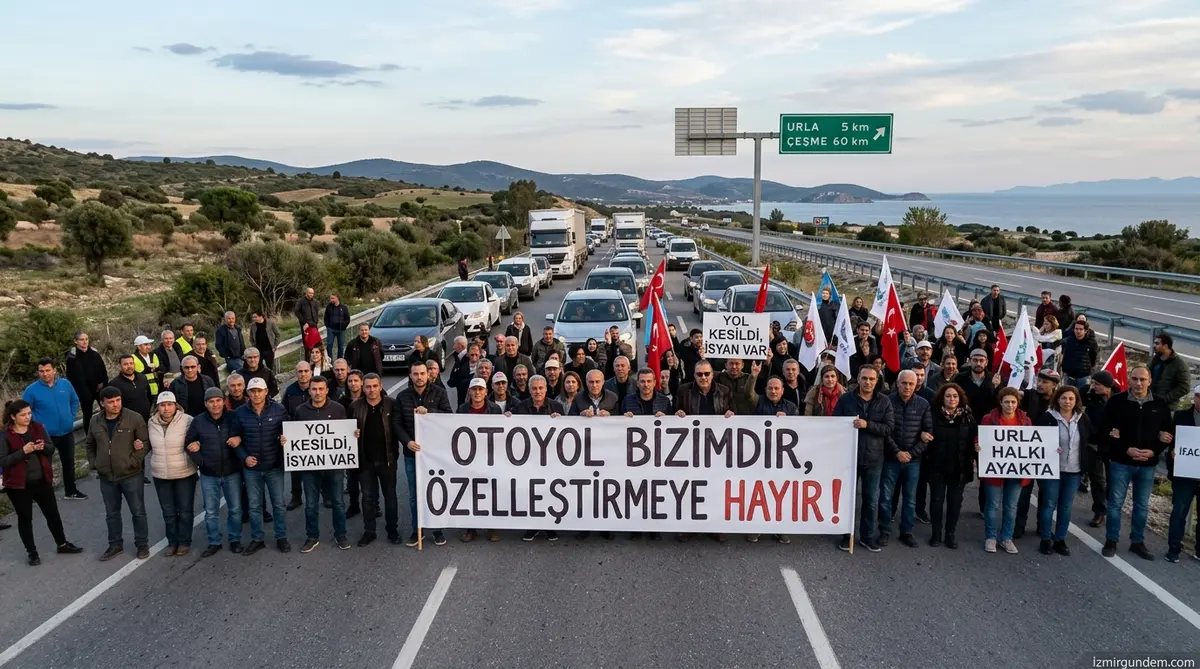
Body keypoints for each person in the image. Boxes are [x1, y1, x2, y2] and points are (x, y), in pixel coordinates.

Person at [1099, 366, 1173, 560]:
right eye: (1134, 379)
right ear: (1128, 380)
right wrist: (1125, 448)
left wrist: (1153, 451)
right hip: (1121, 462)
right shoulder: (1116, 402)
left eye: (1142, 379)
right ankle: (1111, 540)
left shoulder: (1160, 404)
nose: (1138, 383)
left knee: (1141, 505)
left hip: (1148, 465)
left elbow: (1167, 434)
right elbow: (1106, 430)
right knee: (1115, 503)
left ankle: (1137, 542)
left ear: (1149, 381)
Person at [2, 400, 84, 566]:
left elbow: (51, 448)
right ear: (13, 416)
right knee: (25, 518)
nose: (27, 417)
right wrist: (22, 452)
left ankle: (62, 544)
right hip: (19, 485)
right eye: (23, 415)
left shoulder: (37, 427)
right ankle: (32, 552)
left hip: (42, 480)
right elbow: (3, 461)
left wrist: (42, 447)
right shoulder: (5, 435)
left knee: (52, 514)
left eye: (29, 413)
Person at [833, 366, 894, 553]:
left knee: (871, 500)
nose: (868, 382)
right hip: (849, 458)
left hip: (874, 458)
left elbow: (889, 428)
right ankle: (846, 535)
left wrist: (868, 425)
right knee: (848, 499)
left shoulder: (884, 402)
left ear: (877, 381)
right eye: (864, 378)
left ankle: (867, 537)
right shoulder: (846, 400)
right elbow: (835, 424)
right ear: (858, 379)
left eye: (872, 379)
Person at [86, 386, 151, 561]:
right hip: (106, 477)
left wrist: (133, 462)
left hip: (131, 474)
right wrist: (94, 463)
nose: (115, 405)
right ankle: (115, 545)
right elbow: (90, 444)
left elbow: (145, 443)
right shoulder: (95, 421)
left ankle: (142, 544)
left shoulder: (134, 418)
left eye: (118, 400)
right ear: (102, 403)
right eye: (111, 402)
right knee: (111, 513)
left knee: (138, 511)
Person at [394, 361, 453, 547]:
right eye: (415, 374)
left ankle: (436, 529)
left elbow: (448, 417)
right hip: (413, 454)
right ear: (410, 376)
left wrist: (430, 413)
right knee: (415, 494)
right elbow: (396, 424)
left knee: (435, 493)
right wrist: (407, 442)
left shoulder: (439, 393)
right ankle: (416, 529)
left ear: (428, 375)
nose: (419, 377)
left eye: (422, 374)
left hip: (434, 454)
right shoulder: (402, 397)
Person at [292, 376, 351, 553]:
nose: (317, 392)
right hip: (310, 467)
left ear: (326, 390)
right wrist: (287, 440)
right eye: (314, 389)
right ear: (309, 390)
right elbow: (297, 436)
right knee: (310, 504)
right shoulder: (301, 411)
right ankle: (312, 536)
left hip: (334, 466)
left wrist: (352, 434)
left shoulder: (338, 409)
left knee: (338, 502)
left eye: (321, 389)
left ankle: (340, 534)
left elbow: (344, 434)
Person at [234, 376, 291, 556]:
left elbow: (289, 431)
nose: (256, 394)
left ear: (266, 392)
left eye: (260, 390)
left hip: (274, 466)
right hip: (251, 469)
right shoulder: (240, 412)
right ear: (248, 393)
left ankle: (281, 537)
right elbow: (236, 440)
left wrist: (285, 439)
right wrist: (244, 457)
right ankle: (257, 538)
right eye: (252, 391)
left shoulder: (279, 409)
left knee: (279, 504)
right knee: (254, 506)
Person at [186, 387, 244, 557]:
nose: (215, 404)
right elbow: (189, 443)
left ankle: (235, 539)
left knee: (235, 508)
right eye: (211, 401)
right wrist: (201, 461)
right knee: (210, 510)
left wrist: (239, 438)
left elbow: (244, 434)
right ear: (206, 404)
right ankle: (214, 541)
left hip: (232, 471)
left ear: (223, 401)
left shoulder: (233, 417)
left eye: (218, 400)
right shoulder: (198, 421)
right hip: (208, 474)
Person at [1032, 384, 1090, 557]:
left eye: (1071, 398)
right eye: (1064, 398)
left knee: (1065, 507)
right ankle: (1045, 538)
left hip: (1074, 470)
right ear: (1057, 399)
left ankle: (1060, 539)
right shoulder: (1047, 418)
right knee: (1048, 504)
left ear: (1076, 401)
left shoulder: (1082, 418)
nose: (1067, 402)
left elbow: (1088, 440)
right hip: (1052, 470)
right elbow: (1036, 441)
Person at [879, 370, 932, 549]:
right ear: (898, 383)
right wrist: (897, 452)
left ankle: (906, 532)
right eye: (904, 383)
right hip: (891, 458)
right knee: (886, 497)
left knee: (910, 498)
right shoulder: (886, 401)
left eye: (911, 383)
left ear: (916, 384)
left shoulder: (923, 404)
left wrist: (912, 453)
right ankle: (884, 530)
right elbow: (885, 432)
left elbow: (928, 433)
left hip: (913, 460)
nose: (907, 387)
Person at [22, 358, 86, 501]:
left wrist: (71, 416)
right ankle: (45, 494)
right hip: (45, 436)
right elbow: (24, 411)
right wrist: (36, 426)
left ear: (54, 370)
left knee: (68, 463)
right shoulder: (31, 390)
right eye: (41, 371)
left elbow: (75, 400)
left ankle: (71, 491)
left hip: (66, 432)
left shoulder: (65, 384)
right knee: (45, 466)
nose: (45, 374)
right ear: (38, 372)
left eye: (48, 370)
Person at [350, 374, 400, 546]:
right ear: (363, 388)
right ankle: (369, 531)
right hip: (365, 462)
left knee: (390, 498)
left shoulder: (391, 404)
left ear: (380, 386)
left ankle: (392, 531)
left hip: (387, 460)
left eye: (374, 386)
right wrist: (352, 434)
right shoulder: (355, 406)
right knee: (368, 498)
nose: (371, 390)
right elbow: (345, 431)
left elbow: (399, 427)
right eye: (368, 387)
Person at [980, 387, 1031, 555]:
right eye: (1007, 402)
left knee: (1011, 506)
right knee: (993, 505)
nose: (1010, 405)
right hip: (994, 470)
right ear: (1000, 402)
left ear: (1018, 403)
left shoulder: (1025, 420)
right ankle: (991, 537)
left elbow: (1032, 443)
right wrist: (977, 444)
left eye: (1013, 402)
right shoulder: (989, 419)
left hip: (1017, 470)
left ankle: (1007, 538)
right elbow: (981, 437)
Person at [147, 391, 198, 557]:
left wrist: (197, 443)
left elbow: (198, 438)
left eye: (169, 404)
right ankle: (172, 541)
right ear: (158, 407)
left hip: (184, 472)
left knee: (184, 510)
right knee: (168, 512)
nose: (166, 408)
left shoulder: (188, 421)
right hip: (161, 474)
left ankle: (184, 541)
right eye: (162, 405)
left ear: (176, 405)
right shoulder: (151, 423)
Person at [924, 383, 975, 549]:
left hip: (959, 468)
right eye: (948, 396)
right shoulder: (932, 415)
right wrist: (922, 434)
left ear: (959, 399)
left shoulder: (967, 416)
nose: (952, 399)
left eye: (955, 396)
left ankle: (950, 534)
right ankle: (936, 533)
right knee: (936, 502)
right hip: (936, 466)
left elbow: (974, 437)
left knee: (955, 503)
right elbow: (923, 432)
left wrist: (977, 449)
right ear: (942, 398)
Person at [456, 378, 504, 543]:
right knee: (471, 492)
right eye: (474, 389)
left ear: (485, 392)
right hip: (470, 458)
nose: (477, 393)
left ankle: (492, 528)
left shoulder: (495, 409)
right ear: (469, 391)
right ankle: (471, 528)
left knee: (491, 492)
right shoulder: (462, 409)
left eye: (480, 389)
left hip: (490, 457)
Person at [1165, 385, 1200, 562]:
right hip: (1184, 475)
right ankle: (1173, 549)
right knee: (1179, 511)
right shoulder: (1180, 416)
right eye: (1199, 396)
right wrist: (1172, 452)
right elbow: (1171, 441)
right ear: (1195, 397)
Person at [66, 330, 107, 437]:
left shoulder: (94, 353)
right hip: (85, 392)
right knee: (87, 416)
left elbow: (102, 369)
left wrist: (103, 383)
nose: (85, 342)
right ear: (76, 341)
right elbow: (74, 378)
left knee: (106, 410)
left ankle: (106, 432)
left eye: (86, 339)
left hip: (99, 389)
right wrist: (84, 394)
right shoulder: (72, 358)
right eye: (82, 340)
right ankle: (90, 437)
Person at [1150, 333, 1192, 408]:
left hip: (1167, 407)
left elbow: (1185, 387)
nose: (1154, 346)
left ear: (1165, 346)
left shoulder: (1179, 364)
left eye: (1157, 343)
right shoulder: (1156, 359)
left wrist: (1165, 399)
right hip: (1151, 401)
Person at [1060, 321, 1098, 388]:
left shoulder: (1092, 343)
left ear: (1085, 331)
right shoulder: (1068, 341)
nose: (1078, 331)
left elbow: (1093, 359)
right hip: (1069, 376)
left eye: (1081, 329)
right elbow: (1064, 356)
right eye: (1076, 329)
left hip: (1083, 377)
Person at [132, 335, 163, 400]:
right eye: (146, 345)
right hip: (143, 389)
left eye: (149, 344)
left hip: (156, 387)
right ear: (139, 347)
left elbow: (158, 368)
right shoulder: (133, 358)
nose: (149, 347)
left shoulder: (153, 355)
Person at [324, 293, 351, 360]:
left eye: (333, 298)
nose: (331, 300)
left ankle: (340, 360)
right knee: (329, 345)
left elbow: (347, 319)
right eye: (330, 298)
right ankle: (330, 361)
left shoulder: (344, 307)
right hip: (331, 329)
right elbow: (326, 318)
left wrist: (343, 327)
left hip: (341, 330)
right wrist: (328, 326)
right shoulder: (329, 307)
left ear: (337, 298)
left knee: (341, 346)